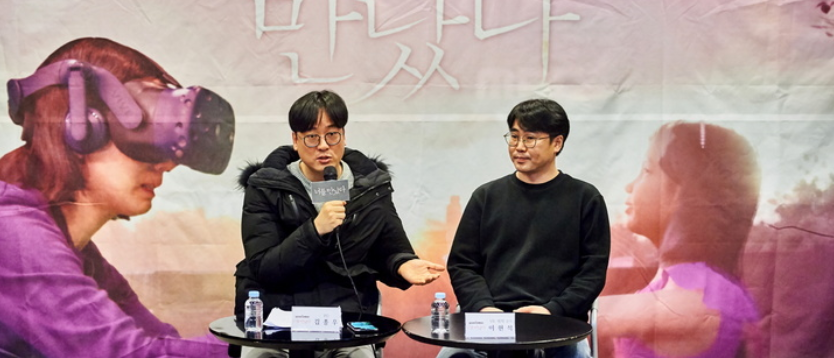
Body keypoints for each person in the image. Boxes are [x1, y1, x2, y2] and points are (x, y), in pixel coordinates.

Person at [0, 37, 236, 358]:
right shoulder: (12, 233)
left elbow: (158, 340)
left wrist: (277, 339)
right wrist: (272, 346)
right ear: (82, 127)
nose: (167, 164)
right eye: (144, 132)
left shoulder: (79, 253)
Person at [234, 90, 445, 358]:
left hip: (345, 317)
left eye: (332, 134)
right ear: (295, 140)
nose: (323, 146)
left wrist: (402, 264)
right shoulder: (266, 186)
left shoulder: (371, 187)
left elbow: (389, 247)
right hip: (277, 316)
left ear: (343, 136)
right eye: (312, 137)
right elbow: (264, 267)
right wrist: (315, 230)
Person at [444, 98, 611, 358]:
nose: (519, 147)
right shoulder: (486, 196)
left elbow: (592, 273)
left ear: (557, 143)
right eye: (514, 137)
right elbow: (462, 264)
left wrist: (552, 309)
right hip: (493, 320)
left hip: (558, 323)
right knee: (451, 356)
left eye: (530, 138)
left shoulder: (585, 199)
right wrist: (484, 308)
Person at [598, 122, 761, 358]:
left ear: (681, 192)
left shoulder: (697, 297)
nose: (629, 186)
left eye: (646, 170)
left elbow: (576, 319)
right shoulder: (691, 286)